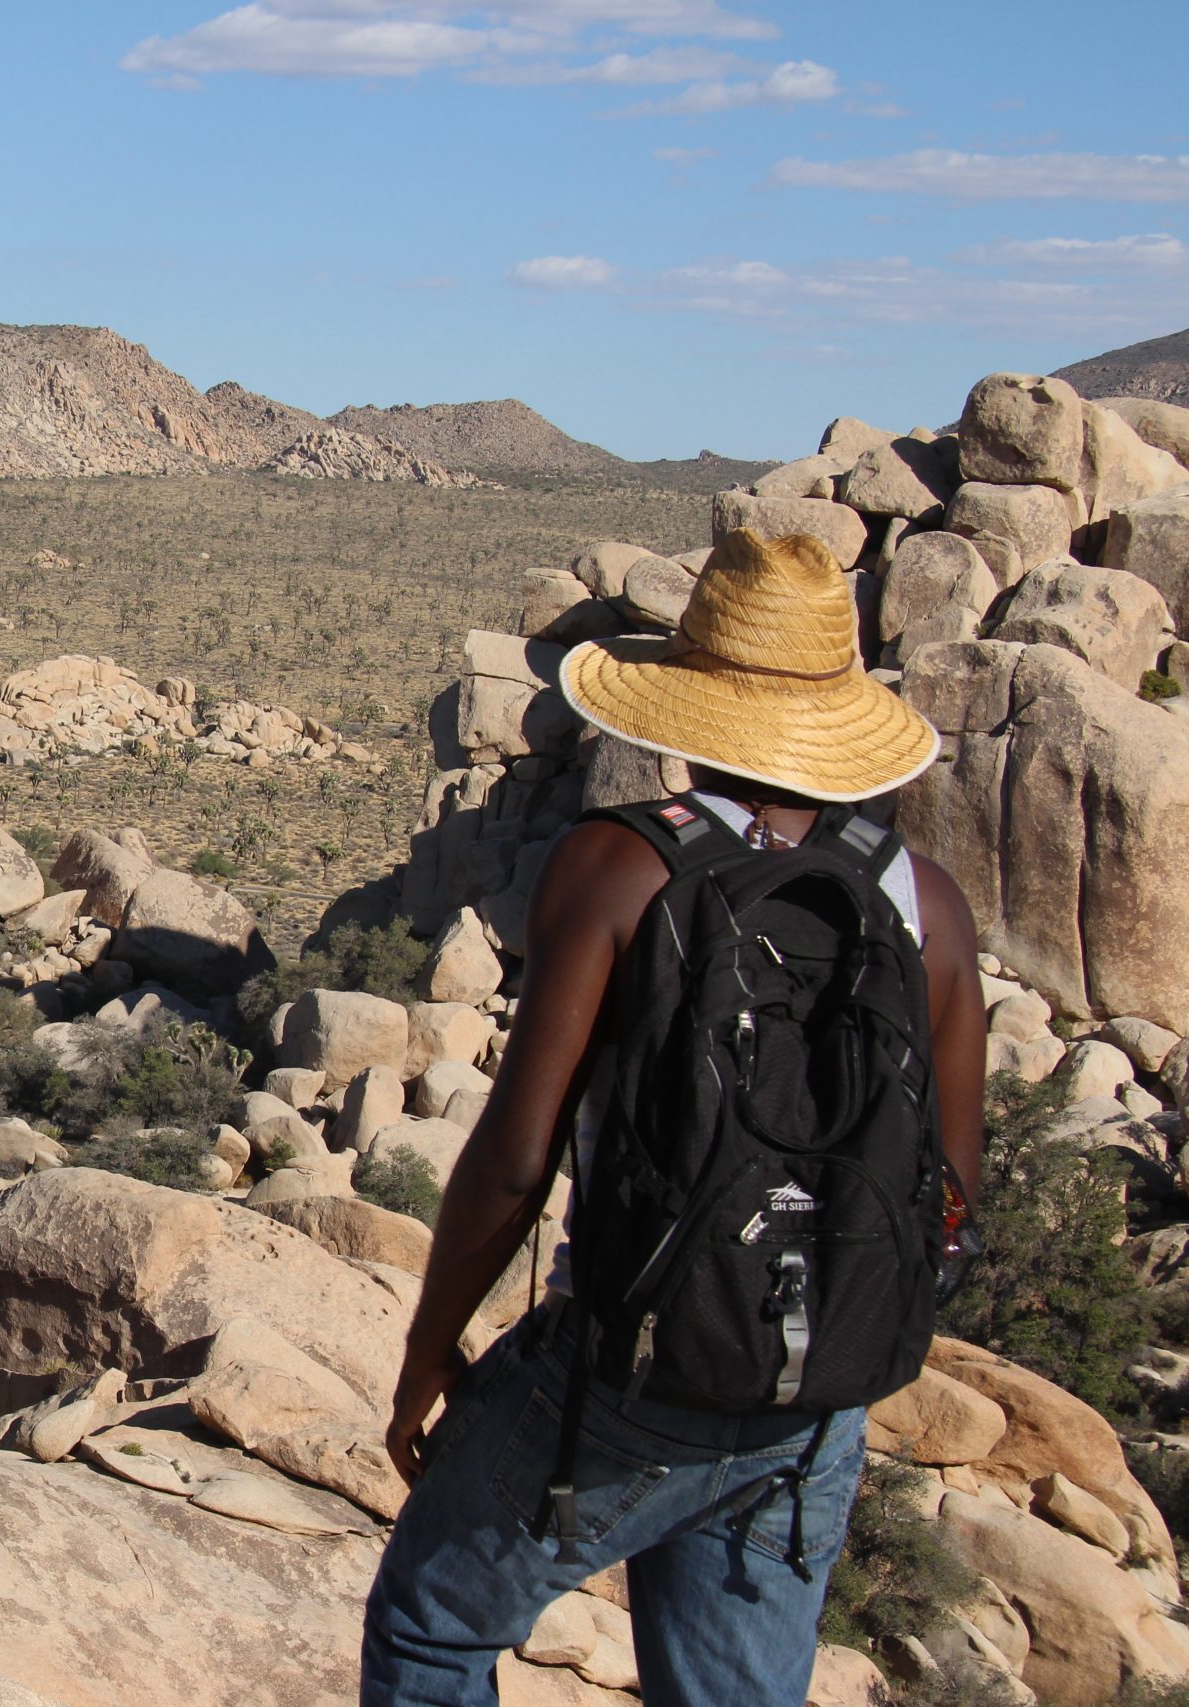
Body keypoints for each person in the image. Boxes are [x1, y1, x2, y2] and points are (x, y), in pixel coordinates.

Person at [357, 528, 988, 1706]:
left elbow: (515, 1160)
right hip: (816, 1399)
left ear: (691, 702)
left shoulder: (618, 864)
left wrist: (429, 1348)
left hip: (626, 1376)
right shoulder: (928, 905)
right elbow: (951, 1185)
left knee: (430, 1633)